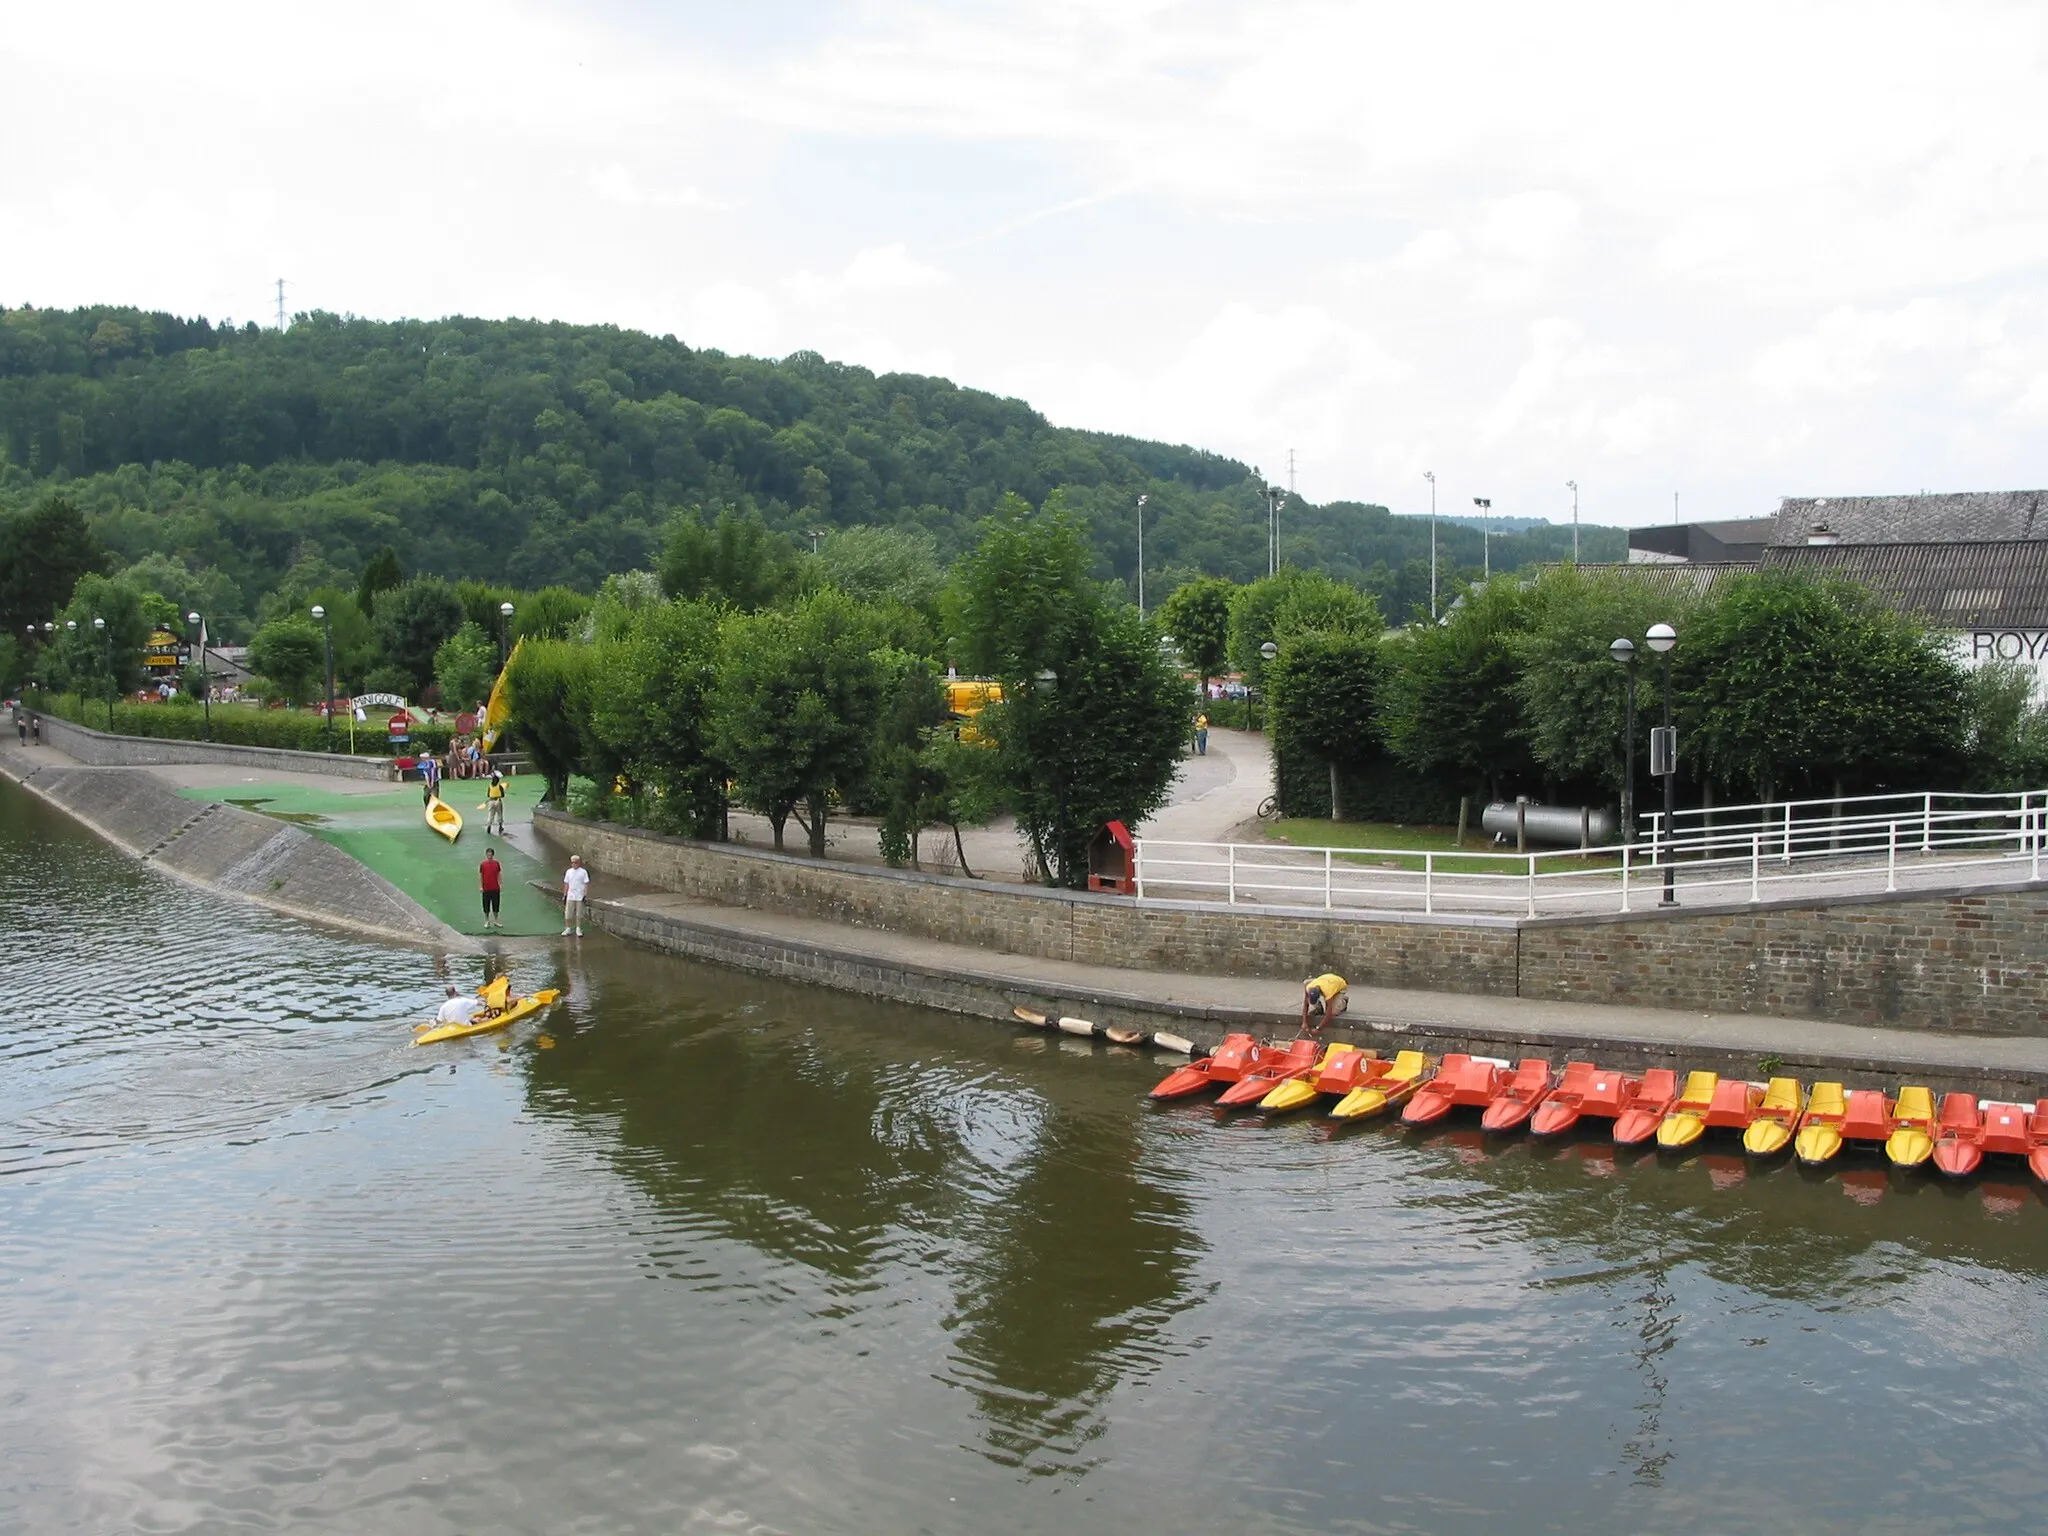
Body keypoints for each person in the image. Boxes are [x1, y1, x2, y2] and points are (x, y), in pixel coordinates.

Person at [561, 854, 590, 937]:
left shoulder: (583, 872)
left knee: (579, 913)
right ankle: (568, 928)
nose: (574, 864)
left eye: (575, 862)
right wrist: (565, 894)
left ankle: (578, 928)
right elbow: (566, 884)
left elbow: (585, 884)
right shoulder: (569, 872)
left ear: (579, 863)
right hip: (570, 895)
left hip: (579, 895)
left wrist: (585, 895)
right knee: (568, 913)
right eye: (572, 862)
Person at [479, 847, 503, 930]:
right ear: (486, 855)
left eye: (490, 854)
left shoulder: (496, 863)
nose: (489, 856)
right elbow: (481, 875)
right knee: (486, 905)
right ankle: (487, 921)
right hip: (486, 888)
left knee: (496, 905)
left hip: (495, 888)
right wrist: (481, 886)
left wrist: (500, 883)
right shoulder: (483, 864)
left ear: (493, 855)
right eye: (488, 854)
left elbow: (499, 874)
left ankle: (496, 921)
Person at [485, 770, 507, 834]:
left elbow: (488, 795)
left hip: (491, 801)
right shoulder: (499, 786)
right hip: (498, 801)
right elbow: (502, 795)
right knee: (499, 814)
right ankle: (500, 826)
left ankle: (489, 826)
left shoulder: (490, 786)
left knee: (491, 814)